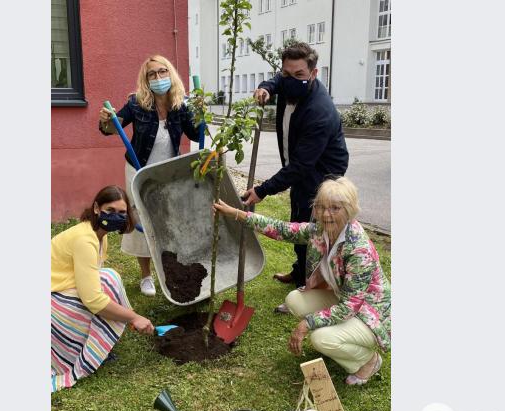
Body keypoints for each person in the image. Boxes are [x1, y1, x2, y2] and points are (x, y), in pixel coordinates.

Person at [214, 177, 390, 385]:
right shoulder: (321, 231)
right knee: (294, 300)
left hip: (371, 314)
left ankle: (368, 360)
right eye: (321, 207)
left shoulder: (358, 250)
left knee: (320, 339)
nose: (326, 214)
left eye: (335, 208)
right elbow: (282, 229)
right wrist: (237, 214)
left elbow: (348, 308)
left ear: (350, 210)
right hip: (344, 299)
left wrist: (307, 323)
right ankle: (341, 338)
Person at [247, 42, 349, 291]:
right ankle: (299, 270)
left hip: (323, 173)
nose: (291, 80)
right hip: (301, 165)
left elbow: (301, 166)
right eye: (287, 74)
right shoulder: (289, 81)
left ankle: (312, 285)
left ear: (314, 73)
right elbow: (276, 81)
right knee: (298, 215)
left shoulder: (319, 111)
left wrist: (262, 190)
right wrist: (265, 88)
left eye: (299, 75)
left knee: (312, 227)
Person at [98, 55, 202, 297]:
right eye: (152, 74)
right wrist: (107, 120)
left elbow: (196, 135)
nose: (158, 78)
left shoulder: (181, 105)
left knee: (168, 221)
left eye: (162, 72)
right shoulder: (137, 104)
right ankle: (146, 276)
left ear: (171, 74)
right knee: (140, 221)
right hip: (139, 170)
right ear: (146, 80)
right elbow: (113, 127)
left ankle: (169, 267)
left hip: (167, 173)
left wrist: (200, 115)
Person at [51, 185, 155, 392]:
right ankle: (76, 351)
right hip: (52, 300)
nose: (116, 217)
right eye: (110, 211)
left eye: (122, 213)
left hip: (61, 288)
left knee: (108, 280)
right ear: (97, 208)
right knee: (106, 284)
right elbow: (92, 300)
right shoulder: (84, 239)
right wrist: (133, 317)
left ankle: (96, 343)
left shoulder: (100, 234)